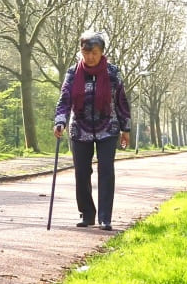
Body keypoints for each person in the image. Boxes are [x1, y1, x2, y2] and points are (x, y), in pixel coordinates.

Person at [53, 31, 131, 231]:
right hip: (79, 129)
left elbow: (121, 100)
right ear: (81, 52)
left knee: (106, 171)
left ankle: (105, 217)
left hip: (108, 129)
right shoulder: (72, 73)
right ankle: (87, 214)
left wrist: (126, 128)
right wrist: (59, 121)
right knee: (82, 172)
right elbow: (64, 99)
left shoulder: (113, 73)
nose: (90, 57)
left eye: (94, 52)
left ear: (102, 52)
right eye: (85, 52)